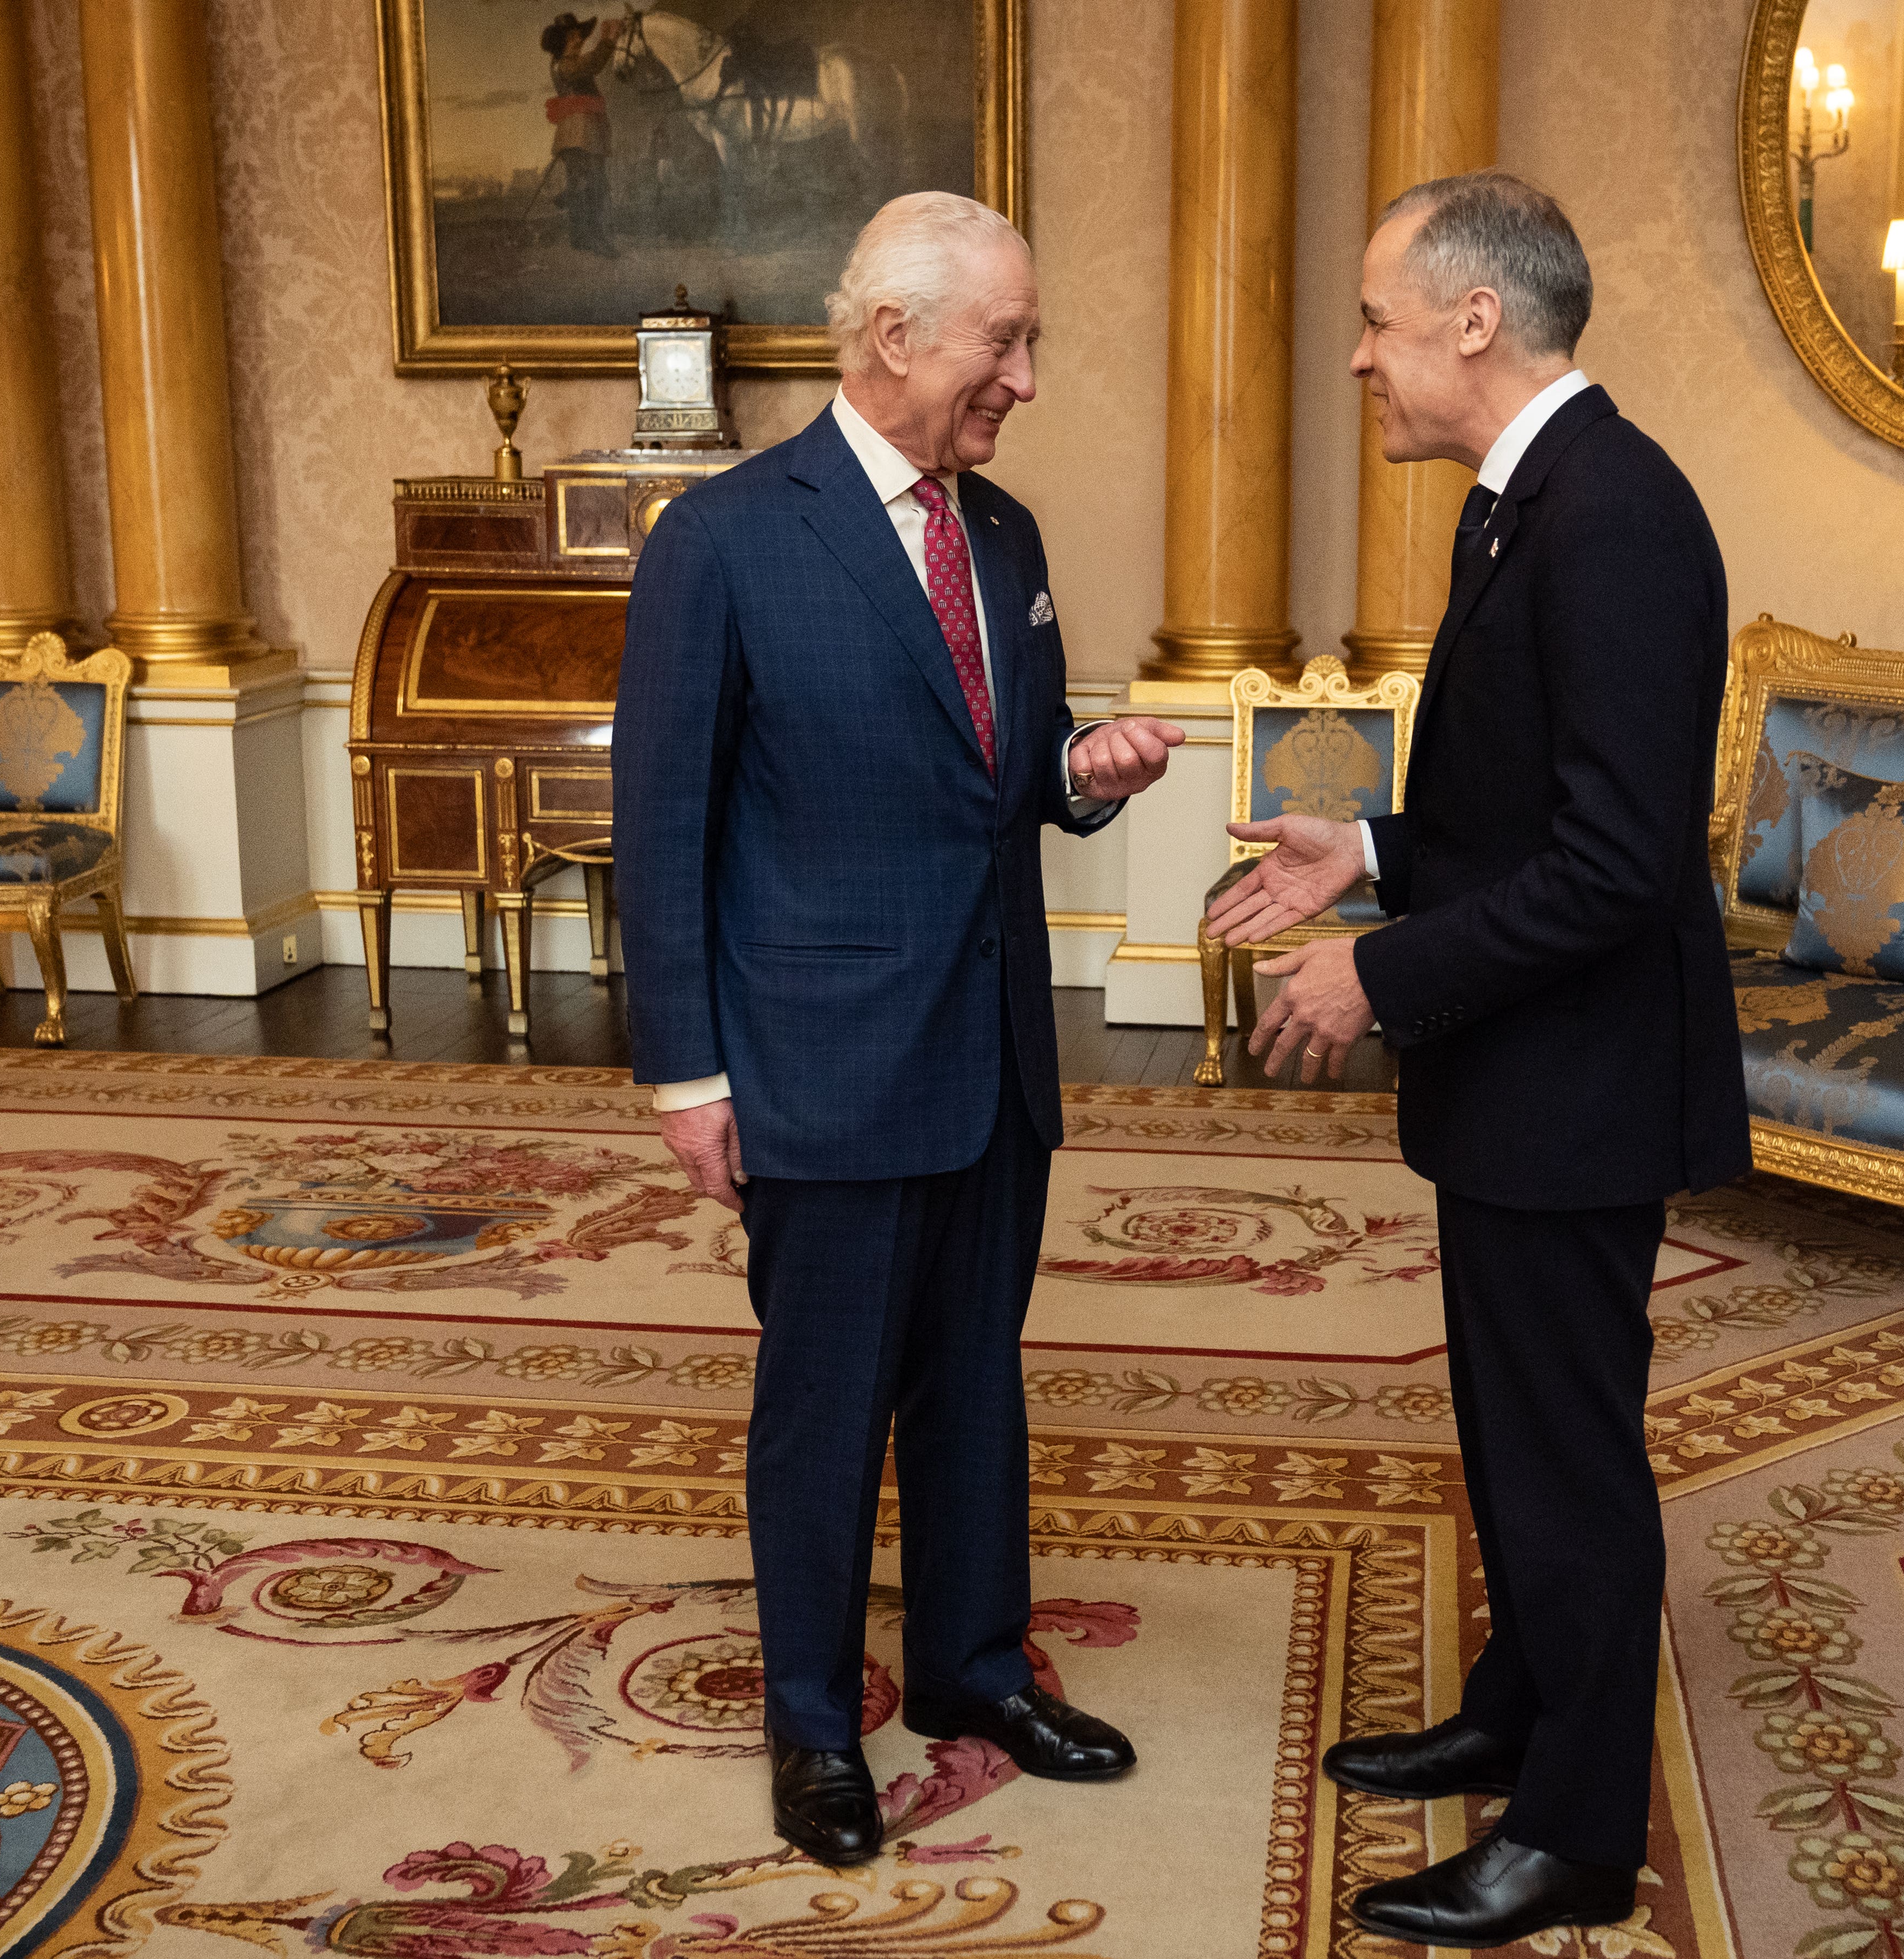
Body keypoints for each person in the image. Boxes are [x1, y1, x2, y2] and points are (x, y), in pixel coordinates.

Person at [1207, 169, 1750, 1948]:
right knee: (1509, 1436)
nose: (1356, 359)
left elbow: (1613, 862)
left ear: (1469, 319)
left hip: (1578, 1087)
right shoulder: (1524, 505)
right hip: (1525, 1076)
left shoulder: (1615, 519)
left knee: (1566, 1455)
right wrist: (1362, 854)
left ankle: (1575, 1830)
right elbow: (1514, 808)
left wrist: (1383, 972)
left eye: (1373, 321)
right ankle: (1523, 1706)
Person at [615, 191, 1190, 1863]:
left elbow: (998, 770)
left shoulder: (997, 537)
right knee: (824, 1405)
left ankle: (970, 1670)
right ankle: (810, 1727)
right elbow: (661, 828)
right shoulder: (722, 540)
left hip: (990, 1050)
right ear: (891, 339)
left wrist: (1078, 773)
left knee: (970, 1386)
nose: (1022, 375)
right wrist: (685, 1070)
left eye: (1027, 340)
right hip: (820, 1062)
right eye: (1000, 341)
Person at [542, 14, 617, 259]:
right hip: (579, 131)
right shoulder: (566, 65)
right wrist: (608, 41)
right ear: (560, 42)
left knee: (582, 182)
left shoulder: (566, 63)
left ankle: (580, 236)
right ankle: (596, 238)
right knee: (593, 182)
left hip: (582, 130)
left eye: (578, 36)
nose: (577, 40)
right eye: (571, 36)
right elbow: (593, 64)